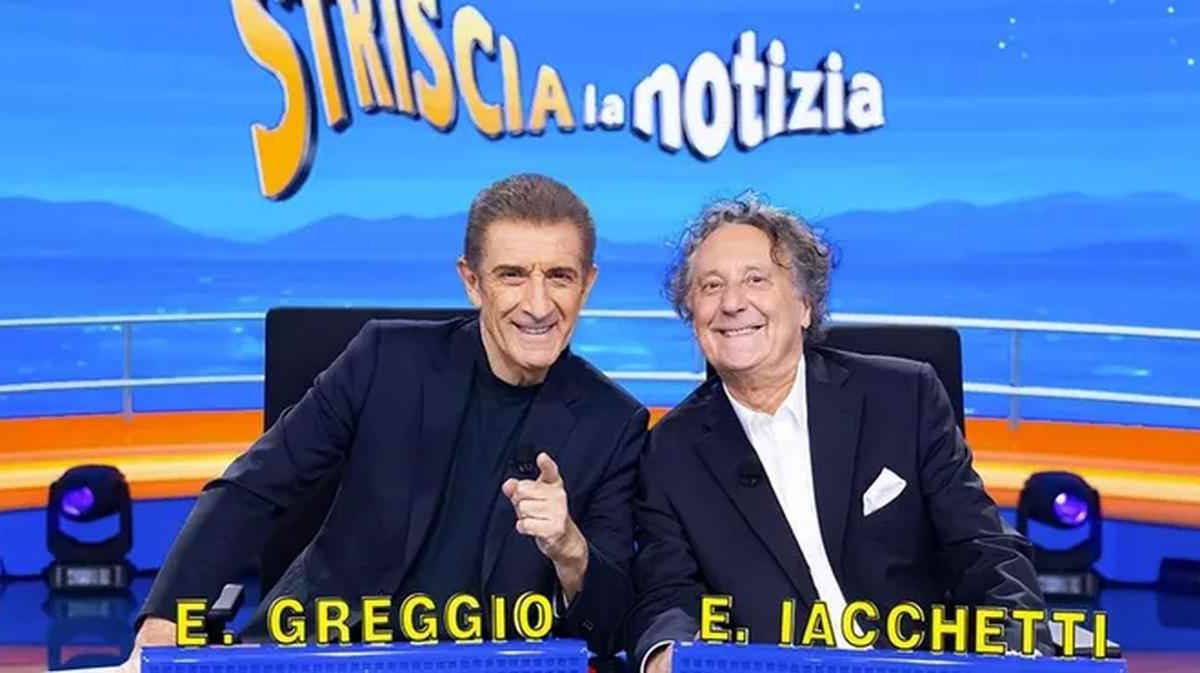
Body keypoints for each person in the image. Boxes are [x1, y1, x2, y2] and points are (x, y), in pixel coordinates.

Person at [131, 174, 648, 656]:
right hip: (320, 654)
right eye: (511, 276)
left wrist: (569, 548)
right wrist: (163, 628)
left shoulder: (613, 423)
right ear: (472, 282)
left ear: (587, 284)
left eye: (559, 277)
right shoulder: (385, 361)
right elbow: (253, 490)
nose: (538, 304)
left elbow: (609, 627)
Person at [629, 195, 1053, 672]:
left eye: (756, 279)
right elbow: (668, 592)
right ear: (692, 315)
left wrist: (1019, 653)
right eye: (711, 286)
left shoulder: (902, 398)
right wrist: (667, 652)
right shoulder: (670, 451)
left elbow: (983, 549)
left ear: (805, 305)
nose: (731, 303)